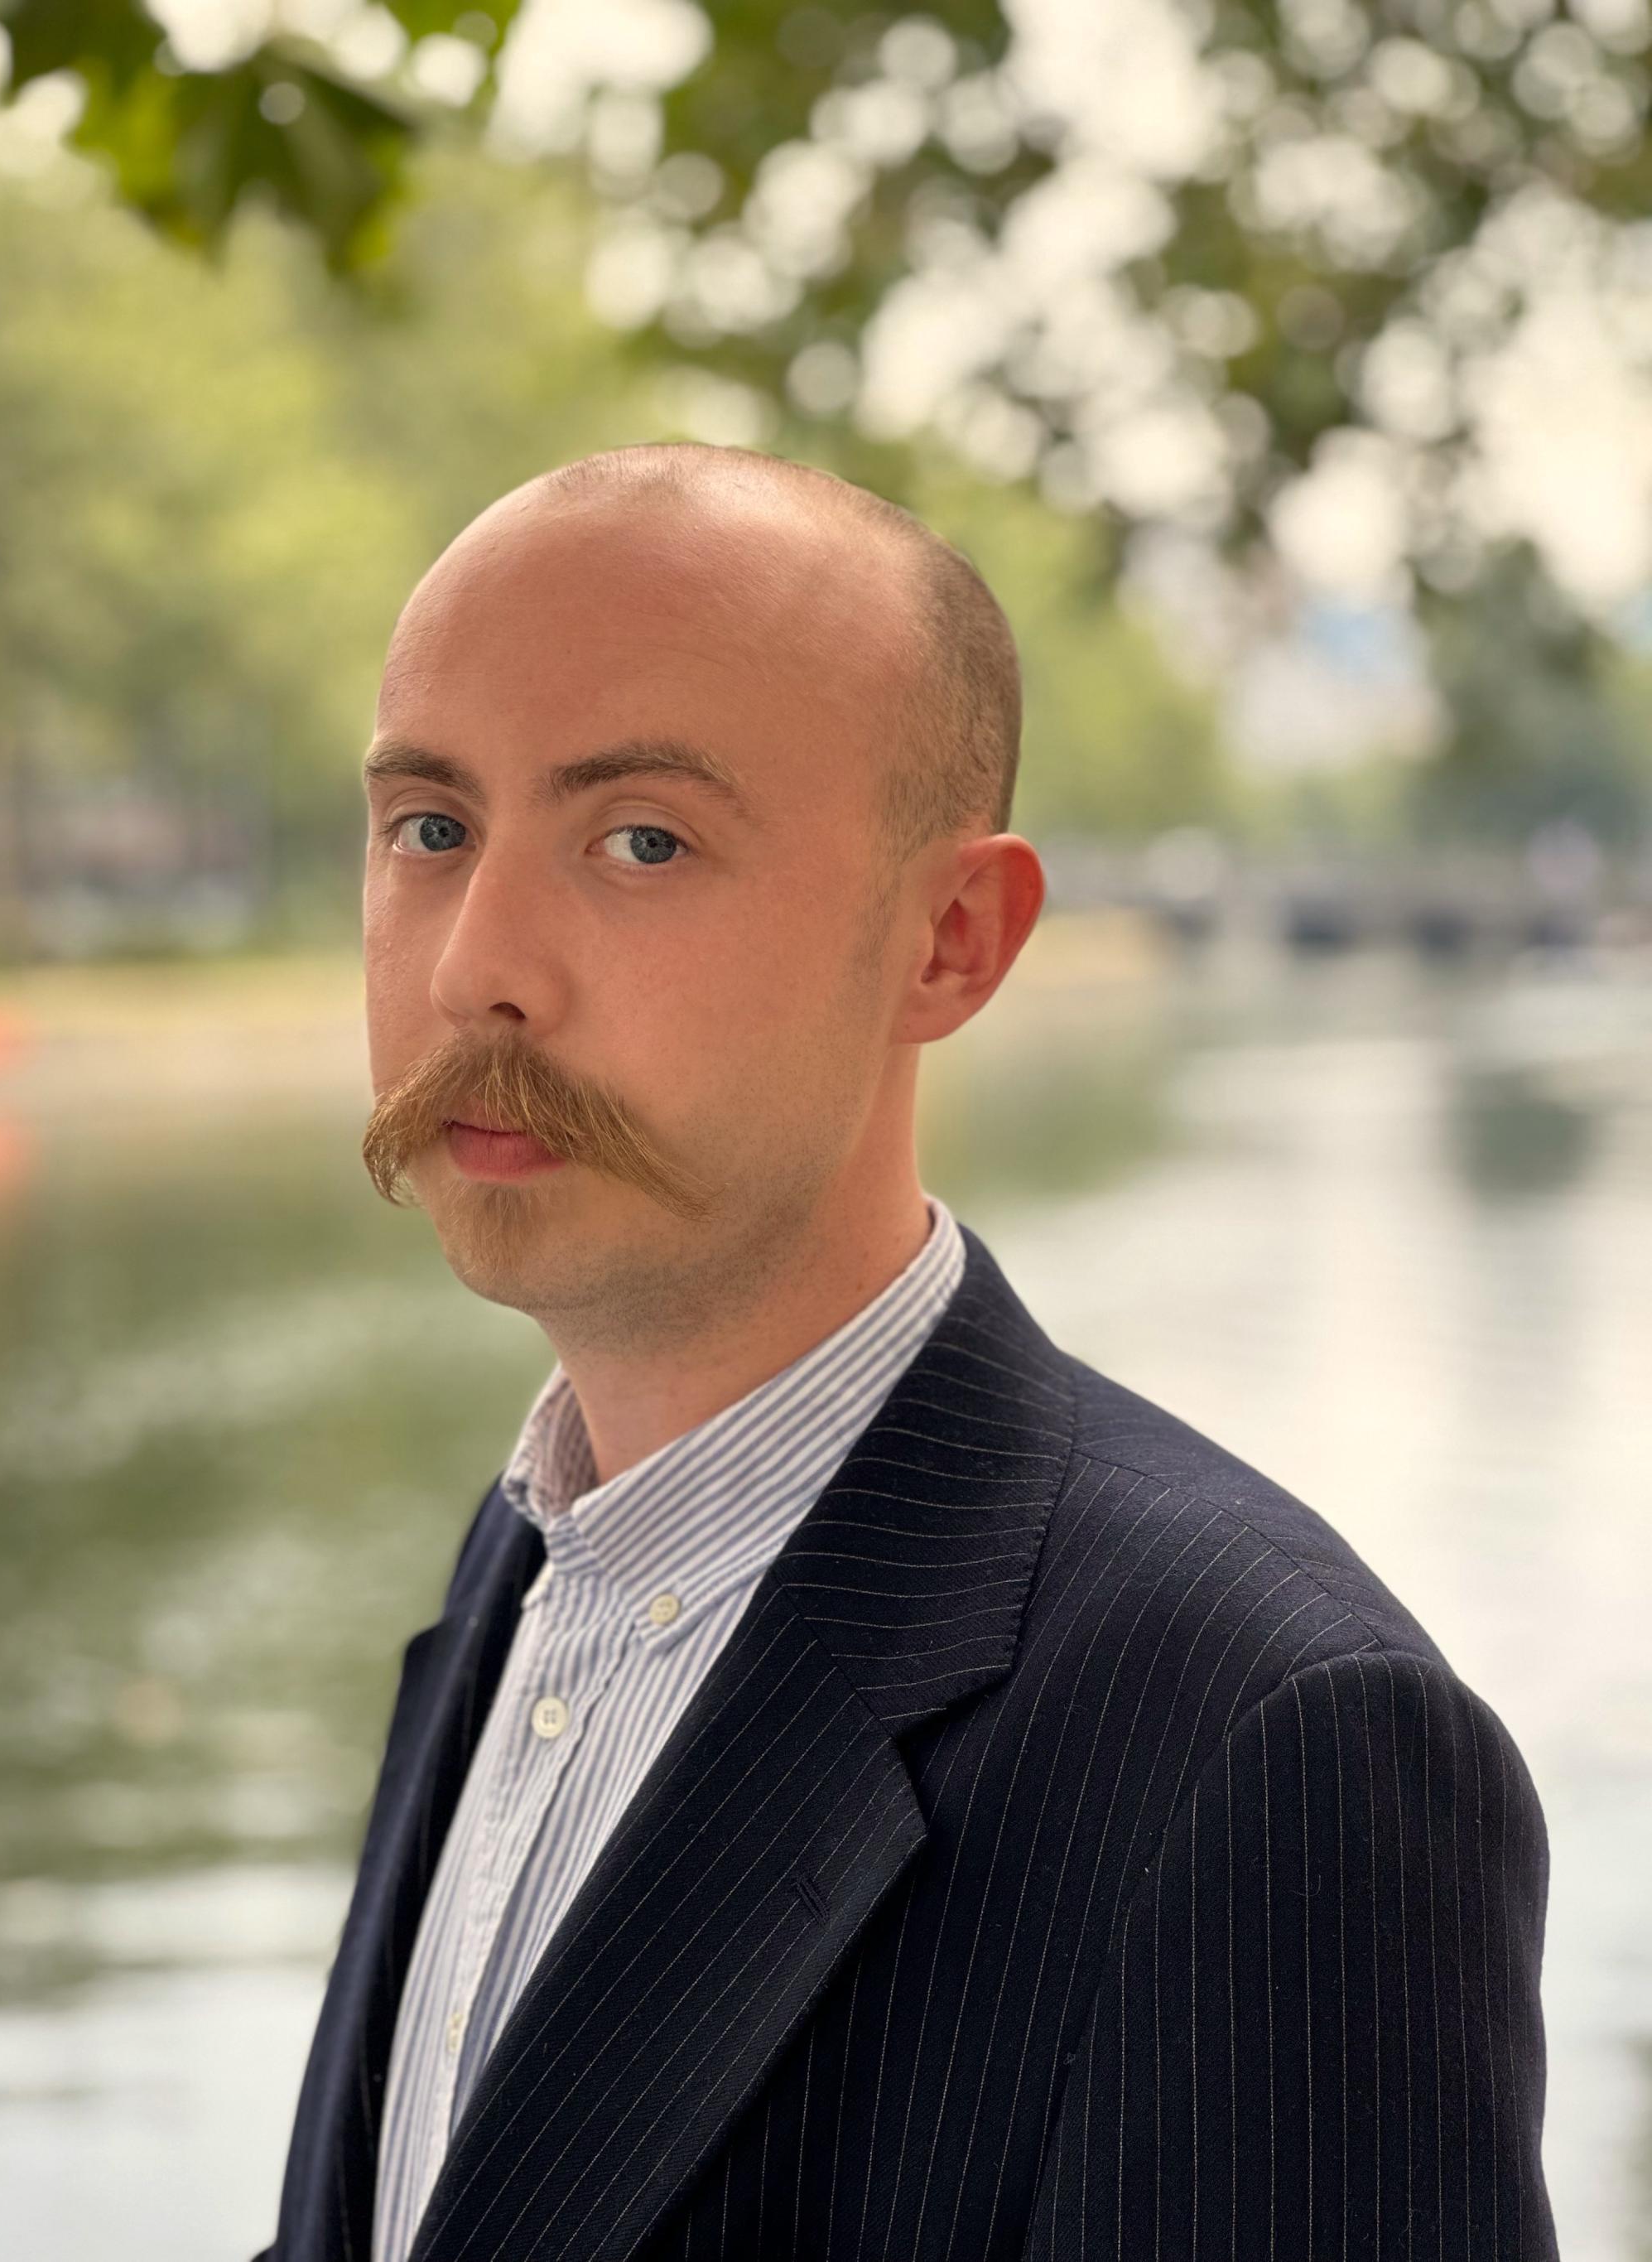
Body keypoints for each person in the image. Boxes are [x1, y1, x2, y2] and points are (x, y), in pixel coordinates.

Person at [260, 442, 1558, 2262]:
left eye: (641, 839)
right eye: (430, 829)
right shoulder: (533, 1559)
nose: (480, 962)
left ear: (950, 941)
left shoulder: (1269, 1745)